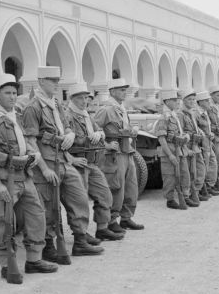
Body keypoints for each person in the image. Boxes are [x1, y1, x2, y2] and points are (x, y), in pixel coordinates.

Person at [0, 73, 58, 284]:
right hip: (4, 180)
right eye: (7, 93)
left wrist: (35, 158)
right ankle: (6, 265)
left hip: (24, 177)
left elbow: (28, 142)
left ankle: (34, 260)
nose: (12, 97)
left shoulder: (17, 117)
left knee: (37, 215)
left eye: (14, 93)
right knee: (4, 224)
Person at [22, 66, 103, 261]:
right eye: (52, 80)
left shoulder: (56, 104)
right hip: (48, 163)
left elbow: (66, 125)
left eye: (58, 80)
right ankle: (49, 246)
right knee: (49, 208)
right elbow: (30, 142)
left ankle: (81, 240)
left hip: (65, 160)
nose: (56, 84)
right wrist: (42, 168)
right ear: (41, 81)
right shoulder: (33, 107)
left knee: (80, 198)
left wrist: (70, 133)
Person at [64, 83, 125, 242]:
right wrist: (71, 160)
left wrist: (99, 133)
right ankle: (81, 235)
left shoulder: (86, 116)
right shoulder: (67, 116)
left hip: (92, 163)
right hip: (78, 164)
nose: (85, 101)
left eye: (86, 98)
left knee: (105, 194)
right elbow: (58, 144)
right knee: (80, 202)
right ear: (72, 99)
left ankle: (102, 228)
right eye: (80, 98)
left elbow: (100, 130)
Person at [93, 78, 145, 231]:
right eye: (121, 90)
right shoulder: (106, 109)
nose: (125, 93)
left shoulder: (121, 108)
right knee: (116, 187)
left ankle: (126, 217)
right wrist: (106, 145)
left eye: (125, 90)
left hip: (127, 151)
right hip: (114, 156)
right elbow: (94, 131)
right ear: (112, 91)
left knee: (131, 187)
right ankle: (111, 221)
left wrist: (132, 131)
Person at [154, 89, 192, 209]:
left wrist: (185, 136)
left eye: (178, 100)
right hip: (169, 151)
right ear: (167, 101)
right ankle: (170, 200)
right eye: (175, 100)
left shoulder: (174, 115)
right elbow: (161, 138)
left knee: (184, 174)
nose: (178, 102)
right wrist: (170, 155)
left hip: (179, 149)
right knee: (170, 176)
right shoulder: (163, 118)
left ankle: (185, 197)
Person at [178, 89, 209, 203]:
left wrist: (200, 131)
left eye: (193, 99)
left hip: (195, 145)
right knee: (188, 173)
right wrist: (185, 148)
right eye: (189, 99)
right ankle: (188, 194)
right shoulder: (180, 114)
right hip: (188, 146)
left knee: (200, 170)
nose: (192, 101)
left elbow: (194, 127)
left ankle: (196, 190)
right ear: (183, 101)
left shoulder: (191, 113)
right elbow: (180, 132)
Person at [195, 91, 219, 196]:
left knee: (212, 164)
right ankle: (202, 187)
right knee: (204, 166)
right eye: (206, 101)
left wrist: (211, 134)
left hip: (209, 143)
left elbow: (208, 127)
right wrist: (203, 134)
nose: (208, 102)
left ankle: (209, 185)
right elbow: (196, 129)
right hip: (202, 145)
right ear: (200, 102)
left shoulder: (205, 113)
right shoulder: (196, 114)